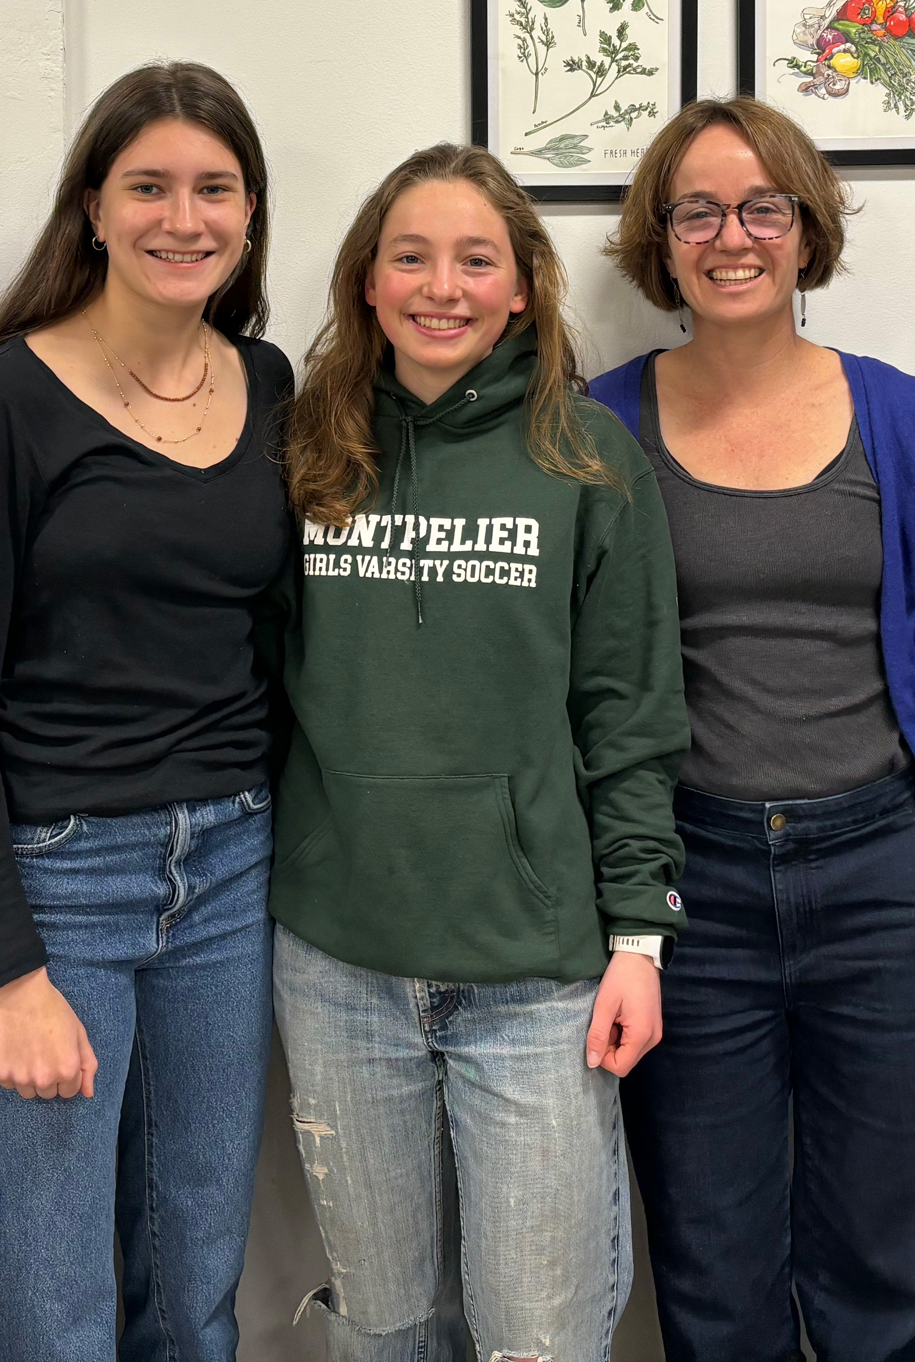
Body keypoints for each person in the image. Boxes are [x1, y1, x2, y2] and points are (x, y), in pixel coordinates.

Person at [585, 97, 915, 1362]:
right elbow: (580, 675)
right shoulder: (601, 426)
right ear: (660, 241)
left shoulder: (896, 412)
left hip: (883, 873)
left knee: (885, 1261)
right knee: (714, 1268)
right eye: (699, 210)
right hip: (687, 891)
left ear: (806, 228)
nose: (734, 234)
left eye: (764, 205)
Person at [271, 142, 687, 1362]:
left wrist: (639, 941)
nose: (439, 285)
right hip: (340, 966)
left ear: (521, 288)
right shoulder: (306, 450)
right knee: (383, 1326)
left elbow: (632, 718)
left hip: (537, 979)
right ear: (365, 280)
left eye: (474, 258)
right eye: (410, 255)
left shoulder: (588, 460)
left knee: (535, 1338)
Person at [0, 63, 291, 1362]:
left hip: (232, 865)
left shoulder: (270, 381)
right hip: (55, 875)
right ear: (92, 206)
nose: (183, 217)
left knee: (196, 1272)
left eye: (214, 187)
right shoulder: (5, 401)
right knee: (52, 1298)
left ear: (249, 212)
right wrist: (10, 967)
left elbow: (281, 641)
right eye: (149, 185)